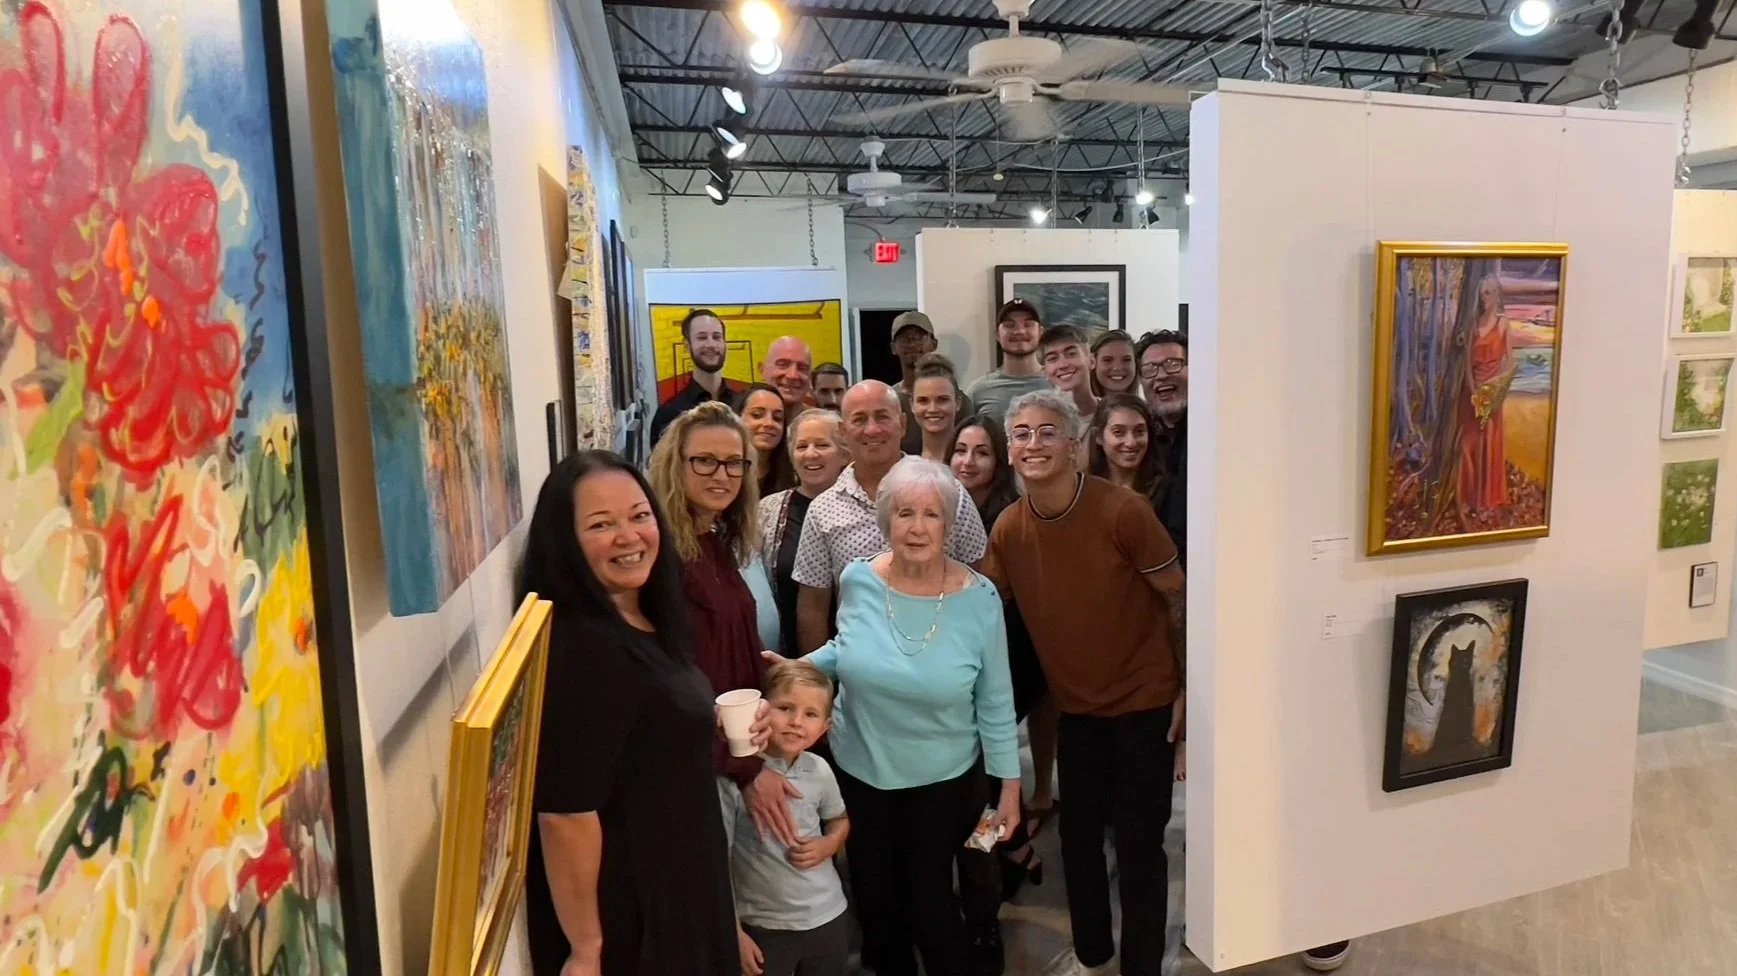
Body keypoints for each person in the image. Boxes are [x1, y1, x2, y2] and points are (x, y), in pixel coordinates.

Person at [519, 450, 765, 976]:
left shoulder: (643, 613)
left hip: (684, 888)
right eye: (600, 525)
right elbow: (565, 814)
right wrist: (588, 948)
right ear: (564, 542)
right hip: (638, 916)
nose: (629, 536)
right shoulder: (586, 647)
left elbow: (644, 735)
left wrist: (712, 722)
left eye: (639, 515)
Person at [778, 457, 1021, 976]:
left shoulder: (979, 601)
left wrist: (1009, 792)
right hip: (859, 767)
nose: (916, 527)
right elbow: (846, 649)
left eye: (931, 515)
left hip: (942, 780)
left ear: (949, 524)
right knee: (876, 906)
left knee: (929, 907)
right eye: (904, 513)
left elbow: (997, 701)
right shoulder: (859, 579)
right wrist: (794, 671)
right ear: (886, 520)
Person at [980, 390, 1186, 976]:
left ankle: (1143, 965)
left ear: (1075, 446)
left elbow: (1176, 595)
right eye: (1021, 434)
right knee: (1077, 843)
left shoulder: (1123, 512)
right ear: (1011, 451)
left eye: (1047, 432)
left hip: (1144, 704)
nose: (1032, 443)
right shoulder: (1010, 529)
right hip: (1077, 712)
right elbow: (986, 609)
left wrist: (1187, 687)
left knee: (1141, 846)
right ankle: (1094, 954)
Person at [647, 403, 805, 850]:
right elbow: (670, 684)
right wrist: (747, 770)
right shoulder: (662, 559)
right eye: (704, 461)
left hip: (737, 753)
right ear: (675, 464)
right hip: (701, 767)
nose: (722, 474)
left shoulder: (714, 539)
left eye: (734, 462)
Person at [791, 381, 987, 653]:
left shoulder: (949, 492)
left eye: (882, 417)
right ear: (843, 431)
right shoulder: (822, 510)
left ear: (903, 424)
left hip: (945, 661)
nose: (872, 429)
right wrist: (818, 683)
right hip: (862, 671)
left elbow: (978, 580)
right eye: (859, 419)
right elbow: (812, 608)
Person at [948, 417, 1050, 900]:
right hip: (962, 660)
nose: (968, 461)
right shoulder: (940, 506)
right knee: (979, 766)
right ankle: (1011, 847)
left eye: (981, 451)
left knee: (988, 766)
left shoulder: (1013, 516)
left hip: (1012, 656)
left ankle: (998, 849)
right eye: (960, 450)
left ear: (1000, 460)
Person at [727, 660, 852, 976]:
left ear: (825, 727)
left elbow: (840, 819)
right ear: (760, 710)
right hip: (763, 926)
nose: (796, 722)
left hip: (828, 919)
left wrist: (829, 843)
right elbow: (715, 860)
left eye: (810, 714)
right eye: (785, 707)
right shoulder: (736, 778)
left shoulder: (819, 770)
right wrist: (734, 932)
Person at [758, 410, 850, 657]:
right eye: (801, 446)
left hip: (855, 658)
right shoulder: (767, 510)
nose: (810, 454)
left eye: (822, 444)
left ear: (844, 453)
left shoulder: (865, 508)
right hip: (785, 658)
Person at [1136, 330, 1188, 568]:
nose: (1162, 375)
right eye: (1150, 369)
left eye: (1173, 365)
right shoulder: (1138, 438)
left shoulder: (1218, 433)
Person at [650, 309, 735, 448]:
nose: (711, 344)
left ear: (725, 343)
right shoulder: (669, 414)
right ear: (687, 346)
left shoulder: (743, 405)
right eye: (702, 337)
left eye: (717, 337)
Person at [964, 299, 1049, 426]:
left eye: (1028, 324)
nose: (1019, 331)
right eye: (1010, 325)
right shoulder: (977, 391)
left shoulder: (1058, 384)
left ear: (1040, 332)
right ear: (998, 334)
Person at [1088, 392, 1165, 509]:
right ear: (1098, 436)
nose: (1131, 443)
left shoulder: (1166, 490)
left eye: (1139, 431)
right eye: (1118, 432)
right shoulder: (1083, 490)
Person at [736, 383, 797, 500]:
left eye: (777, 418)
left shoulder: (794, 477)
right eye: (757, 415)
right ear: (737, 418)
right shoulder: (723, 473)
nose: (769, 423)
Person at [908, 353, 965, 463]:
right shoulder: (902, 460)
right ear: (912, 405)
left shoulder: (968, 461)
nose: (933, 409)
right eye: (923, 400)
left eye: (942, 400)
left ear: (958, 402)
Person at [1039, 324, 1098, 419]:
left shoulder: (1113, 415)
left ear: (1091, 361)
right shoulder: (1038, 420)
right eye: (1053, 358)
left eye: (1071, 354)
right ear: (1044, 372)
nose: (1063, 365)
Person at [762, 336, 815, 415]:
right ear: (762, 370)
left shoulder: (826, 425)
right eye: (783, 364)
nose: (792, 375)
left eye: (802, 368)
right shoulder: (740, 424)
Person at [1089, 329, 1138, 397]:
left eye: (1126, 360)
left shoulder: (1147, 407)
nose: (1117, 368)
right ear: (1093, 363)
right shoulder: (1074, 406)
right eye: (1107, 360)